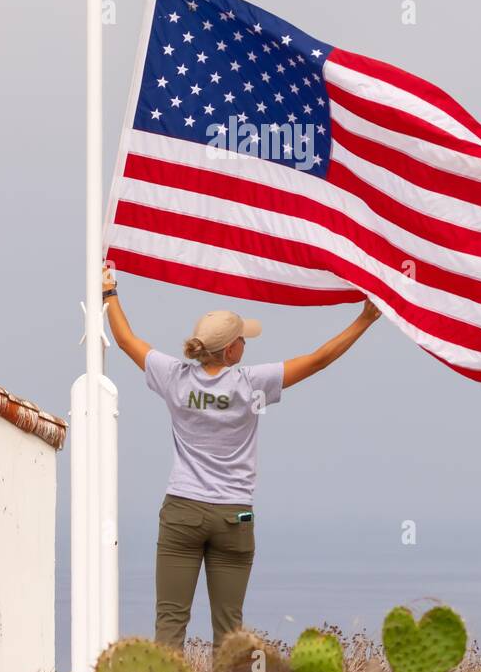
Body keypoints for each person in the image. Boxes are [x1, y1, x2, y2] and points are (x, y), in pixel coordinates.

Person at [101, 262, 381, 650]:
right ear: (231, 349)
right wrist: (364, 319)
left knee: (169, 623)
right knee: (229, 632)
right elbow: (318, 359)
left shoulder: (173, 376)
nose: (246, 345)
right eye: (243, 340)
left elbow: (127, 339)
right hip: (234, 515)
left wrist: (109, 292)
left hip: (182, 511)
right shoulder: (252, 383)